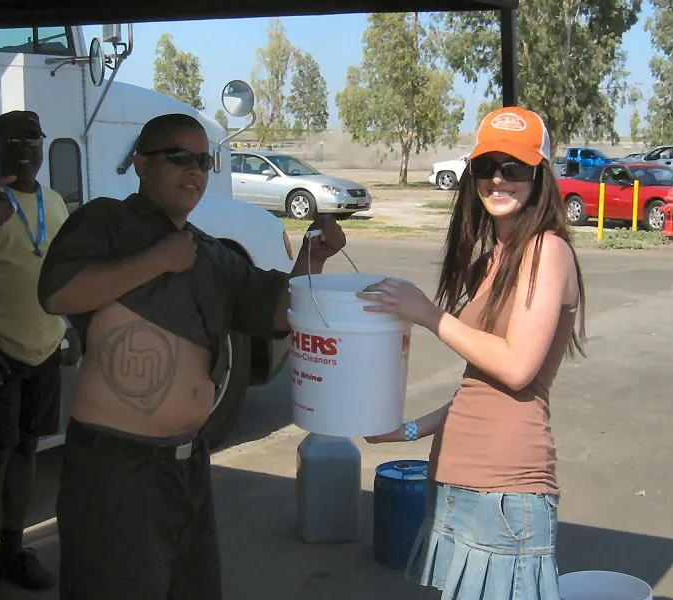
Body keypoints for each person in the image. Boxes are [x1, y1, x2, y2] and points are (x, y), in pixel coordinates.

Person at [36, 112, 347, 600]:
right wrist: (158, 260)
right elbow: (58, 294)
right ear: (141, 163)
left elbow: (278, 309)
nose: (195, 171)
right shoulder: (105, 221)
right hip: (115, 466)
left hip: (186, 464)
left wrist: (313, 256)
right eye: (179, 157)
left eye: (204, 161)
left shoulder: (208, 252)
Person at [357, 107, 587, 600]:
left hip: (505, 488)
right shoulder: (488, 263)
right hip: (455, 479)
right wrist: (409, 430)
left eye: (515, 168)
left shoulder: (547, 250)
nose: (498, 179)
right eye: (486, 167)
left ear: (541, 176)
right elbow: (481, 388)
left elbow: (517, 368)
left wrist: (429, 314)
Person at [0, 110, 70, 600]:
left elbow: (60, 270)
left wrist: (68, 328)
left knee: (26, 450)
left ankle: (12, 551)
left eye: (32, 140)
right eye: (12, 141)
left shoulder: (54, 201)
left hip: (43, 349)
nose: (25, 149)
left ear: (43, 146)